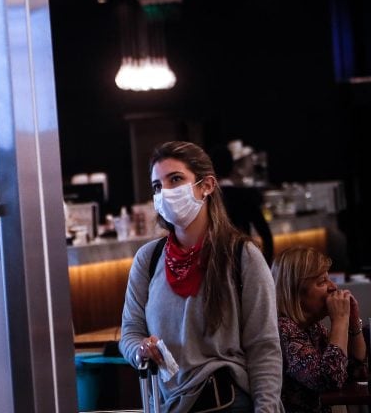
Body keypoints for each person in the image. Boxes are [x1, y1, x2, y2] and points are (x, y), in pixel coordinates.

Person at [120, 141, 284, 412]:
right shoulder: (148, 259)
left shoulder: (242, 256)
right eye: (158, 186)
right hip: (169, 403)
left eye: (176, 179)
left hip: (227, 400)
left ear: (206, 185)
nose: (166, 192)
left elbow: (263, 347)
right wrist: (139, 350)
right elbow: (130, 332)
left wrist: (266, 409)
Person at [271, 246, 368, 413]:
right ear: (296, 292)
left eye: (329, 279)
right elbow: (329, 380)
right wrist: (340, 320)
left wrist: (352, 323)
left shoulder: (313, 328)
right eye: (322, 282)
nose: (333, 287)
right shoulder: (284, 329)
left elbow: (357, 371)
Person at [209, 143, 275, 265]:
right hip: (243, 261)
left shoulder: (207, 199)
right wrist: (265, 265)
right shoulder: (245, 195)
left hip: (216, 266)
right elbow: (266, 235)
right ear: (232, 166)